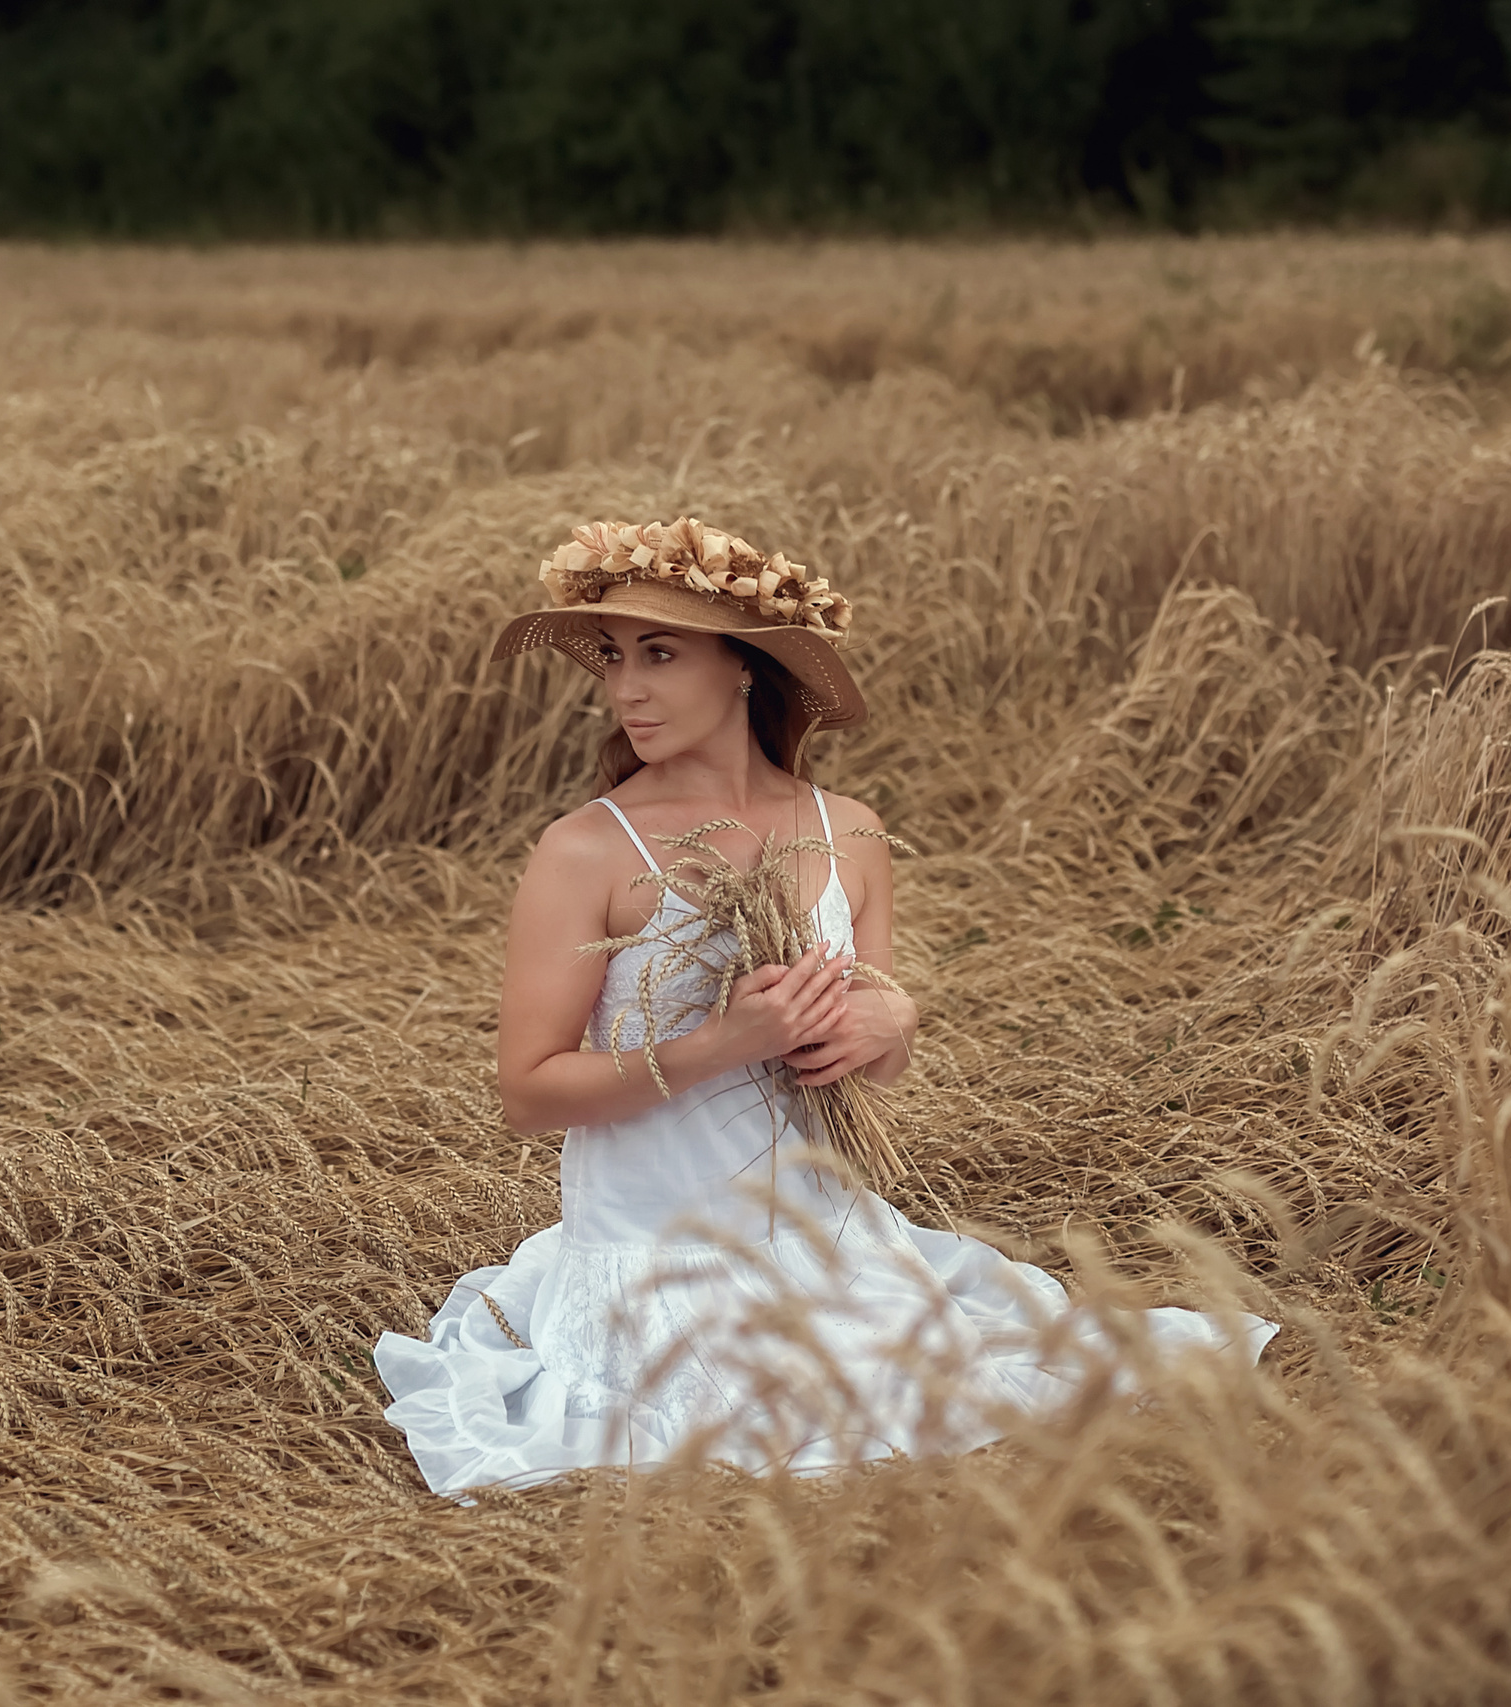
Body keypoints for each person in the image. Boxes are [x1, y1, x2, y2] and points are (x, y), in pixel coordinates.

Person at [372, 520, 1275, 1498]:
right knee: (756, 1424)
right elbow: (527, 1092)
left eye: (661, 655)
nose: (625, 689)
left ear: (746, 668)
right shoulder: (585, 851)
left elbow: (870, 1042)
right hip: (655, 1256)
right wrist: (725, 1042)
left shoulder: (847, 830)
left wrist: (891, 1025)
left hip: (823, 1235)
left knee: (960, 1381)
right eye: (616, 660)